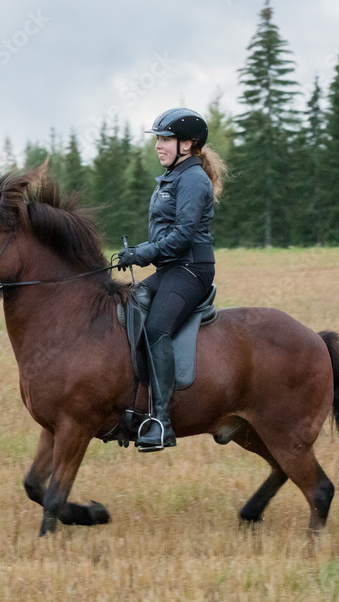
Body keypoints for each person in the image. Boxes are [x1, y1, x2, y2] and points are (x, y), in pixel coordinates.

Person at [117, 107, 226, 452]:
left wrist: (142, 253)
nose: (158, 146)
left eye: (165, 139)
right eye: (158, 140)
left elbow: (181, 237)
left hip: (191, 269)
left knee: (156, 329)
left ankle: (162, 421)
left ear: (188, 144)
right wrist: (139, 252)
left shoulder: (193, 179)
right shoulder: (171, 177)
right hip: (170, 269)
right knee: (129, 307)